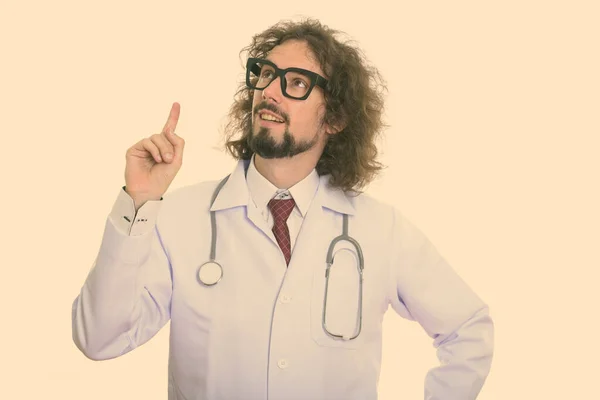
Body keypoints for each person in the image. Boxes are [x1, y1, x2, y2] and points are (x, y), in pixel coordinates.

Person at [71, 18, 494, 400]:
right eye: (267, 75)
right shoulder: (178, 217)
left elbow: (468, 328)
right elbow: (99, 338)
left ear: (336, 118)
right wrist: (138, 201)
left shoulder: (381, 230)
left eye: (296, 83)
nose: (269, 91)